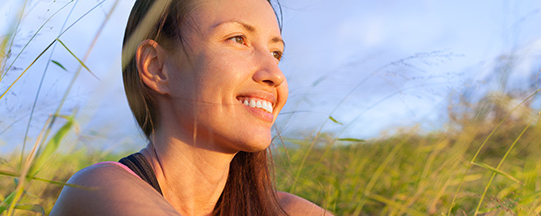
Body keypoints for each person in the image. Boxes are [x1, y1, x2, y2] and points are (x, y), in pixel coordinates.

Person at [51, 0, 332, 215]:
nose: (275, 74)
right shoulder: (98, 189)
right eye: (238, 39)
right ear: (157, 67)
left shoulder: (286, 210)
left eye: (276, 53)